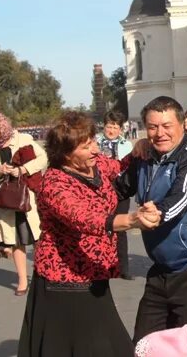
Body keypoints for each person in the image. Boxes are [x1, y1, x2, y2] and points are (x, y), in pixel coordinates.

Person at [18, 112, 161, 357]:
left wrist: (139, 147)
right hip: (65, 282)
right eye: (86, 146)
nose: (95, 149)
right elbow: (83, 218)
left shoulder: (96, 165)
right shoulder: (54, 183)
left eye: (94, 142)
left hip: (93, 273)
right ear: (65, 153)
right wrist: (132, 219)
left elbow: (121, 167)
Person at [114, 97, 187, 357]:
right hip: (163, 269)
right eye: (153, 127)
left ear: (182, 125)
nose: (159, 133)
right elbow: (119, 186)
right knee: (145, 345)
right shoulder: (145, 156)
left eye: (167, 125)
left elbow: (183, 196)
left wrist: (158, 213)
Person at [0, 112, 47, 295]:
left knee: (37, 237)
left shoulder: (23, 139)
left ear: (2, 125)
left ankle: (44, 275)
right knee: (16, 240)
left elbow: (42, 159)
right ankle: (21, 281)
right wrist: (0, 171)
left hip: (28, 197)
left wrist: (23, 169)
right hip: (9, 201)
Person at [96, 110, 134, 280]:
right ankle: (101, 265)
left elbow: (129, 167)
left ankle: (123, 267)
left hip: (120, 189)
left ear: (121, 129)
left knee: (120, 228)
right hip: (98, 188)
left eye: (115, 127)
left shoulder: (127, 145)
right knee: (100, 226)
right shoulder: (95, 143)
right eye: (108, 126)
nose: (111, 130)